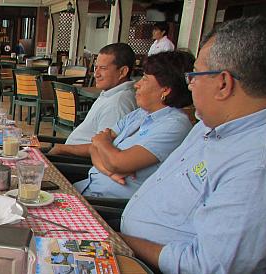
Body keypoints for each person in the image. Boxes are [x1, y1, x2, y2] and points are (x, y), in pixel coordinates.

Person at [120, 16, 266, 273]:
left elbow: (207, 266)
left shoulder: (261, 165)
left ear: (223, 83)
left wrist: (121, 241)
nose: (190, 85)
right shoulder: (210, 125)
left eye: (193, 75)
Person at [73, 51, 194, 199]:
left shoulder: (174, 126)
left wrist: (103, 143)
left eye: (145, 79)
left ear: (166, 90)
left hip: (104, 204)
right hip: (86, 188)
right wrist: (109, 169)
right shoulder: (140, 114)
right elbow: (94, 147)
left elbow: (117, 162)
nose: (137, 84)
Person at [49, 43, 138, 154]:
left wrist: (62, 149)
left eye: (103, 68)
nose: (96, 74)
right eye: (96, 68)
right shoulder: (111, 93)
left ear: (123, 72)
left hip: (74, 163)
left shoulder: (117, 104)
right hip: (69, 153)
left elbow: (104, 150)